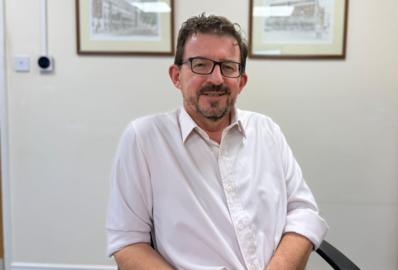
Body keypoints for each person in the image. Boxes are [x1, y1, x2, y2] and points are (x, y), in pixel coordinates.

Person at [106, 14, 328, 270]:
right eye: (200, 64)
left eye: (228, 67)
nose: (216, 79)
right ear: (176, 75)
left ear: (241, 82)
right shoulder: (144, 139)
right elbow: (128, 243)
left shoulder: (267, 131)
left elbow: (303, 213)